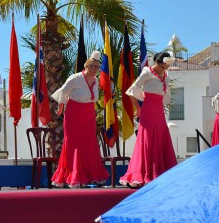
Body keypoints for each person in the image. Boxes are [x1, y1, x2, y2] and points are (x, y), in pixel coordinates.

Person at [51, 51, 109, 188]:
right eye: (92, 66)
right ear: (86, 66)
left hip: (88, 115)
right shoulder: (75, 78)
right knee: (73, 144)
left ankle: (92, 176)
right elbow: (63, 92)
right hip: (74, 114)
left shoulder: (96, 81)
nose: (94, 69)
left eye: (97, 67)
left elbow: (93, 99)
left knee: (89, 144)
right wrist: (60, 109)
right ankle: (73, 176)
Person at [119, 51, 177, 189]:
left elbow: (165, 95)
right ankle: (143, 173)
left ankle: (163, 173)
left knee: (160, 138)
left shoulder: (166, 76)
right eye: (163, 66)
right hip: (148, 109)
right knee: (148, 140)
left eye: (166, 66)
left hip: (159, 111)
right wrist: (137, 109)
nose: (165, 68)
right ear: (156, 62)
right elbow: (132, 90)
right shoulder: (147, 73)